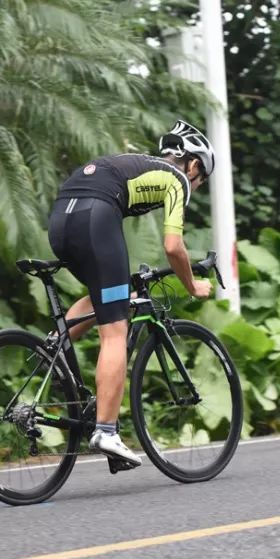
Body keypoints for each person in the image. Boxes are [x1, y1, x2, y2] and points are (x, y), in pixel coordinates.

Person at [46, 120, 216, 469]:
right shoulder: (177, 179)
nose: (196, 186)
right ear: (195, 165)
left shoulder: (138, 163)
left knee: (108, 294)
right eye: (202, 180)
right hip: (94, 216)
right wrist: (192, 284)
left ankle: (51, 348)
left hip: (61, 218)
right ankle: (106, 431)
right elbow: (173, 246)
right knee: (115, 328)